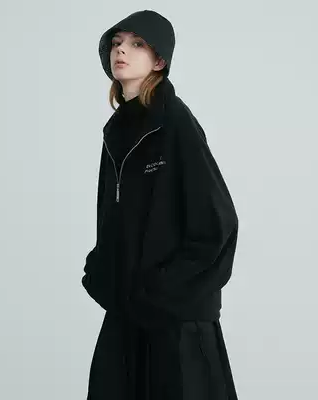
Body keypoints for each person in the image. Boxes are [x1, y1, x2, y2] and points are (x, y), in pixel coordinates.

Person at [81, 9, 239, 400]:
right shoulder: (117, 131)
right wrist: (101, 271)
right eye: (116, 43)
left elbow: (219, 224)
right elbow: (114, 218)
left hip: (177, 320)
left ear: (159, 61)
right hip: (129, 312)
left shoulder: (176, 123)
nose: (121, 51)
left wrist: (165, 287)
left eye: (137, 44)